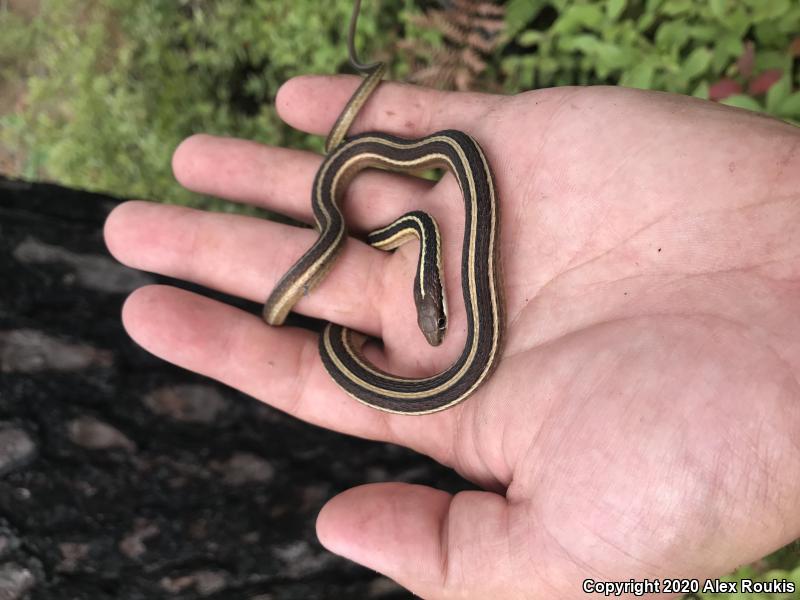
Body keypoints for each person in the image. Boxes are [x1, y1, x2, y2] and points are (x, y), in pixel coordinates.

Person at [104, 75, 800, 599]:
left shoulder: (438, 245)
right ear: (427, 294)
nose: (438, 329)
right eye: (436, 317)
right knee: (376, 234)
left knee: (419, 225)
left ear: (431, 295)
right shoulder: (419, 239)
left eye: (437, 318)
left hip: (425, 206)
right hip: (405, 213)